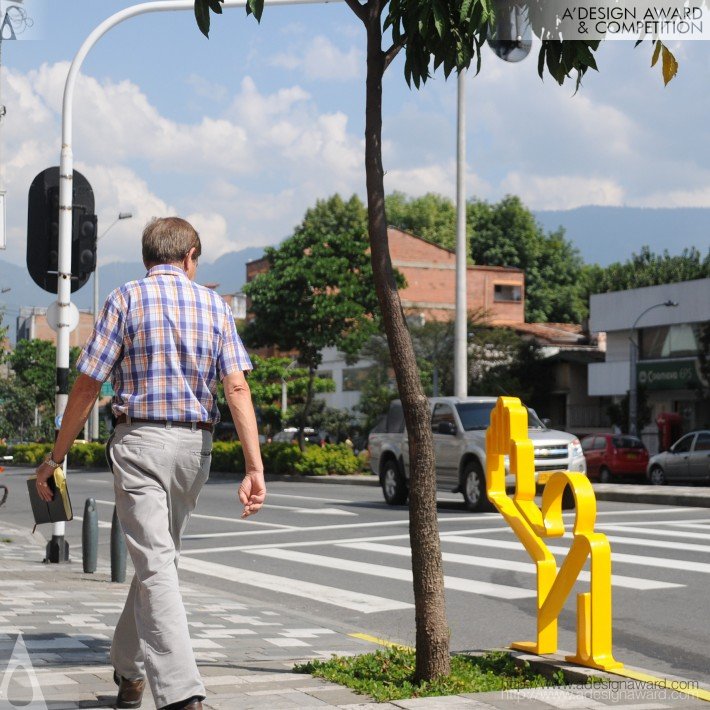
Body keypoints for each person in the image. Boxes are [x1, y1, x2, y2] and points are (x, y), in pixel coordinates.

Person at [34, 217, 266, 710]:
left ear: (147, 259)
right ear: (190, 256)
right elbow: (237, 387)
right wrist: (254, 467)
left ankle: (182, 695)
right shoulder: (215, 306)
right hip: (194, 451)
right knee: (157, 562)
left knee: (155, 565)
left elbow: (88, 384)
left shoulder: (124, 299)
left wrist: (56, 457)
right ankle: (129, 672)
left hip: (139, 442)